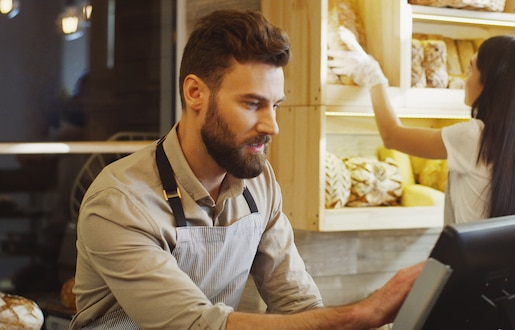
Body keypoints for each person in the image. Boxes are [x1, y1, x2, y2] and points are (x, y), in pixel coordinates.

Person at [70, 9, 423, 330]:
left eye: (275, 106)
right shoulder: (120, 201)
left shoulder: (259, 184)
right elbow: (195, 325)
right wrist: (360, 314)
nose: (272, 126)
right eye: (253, 104)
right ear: (195, 93)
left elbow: (296, 303)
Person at [329, 28, 515, 233]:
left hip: (472, 275)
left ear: (492, 83)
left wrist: (374, 77)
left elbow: (392, 135)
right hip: (514, 278)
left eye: (471, 69)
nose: (465, 78)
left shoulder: (475, 136)